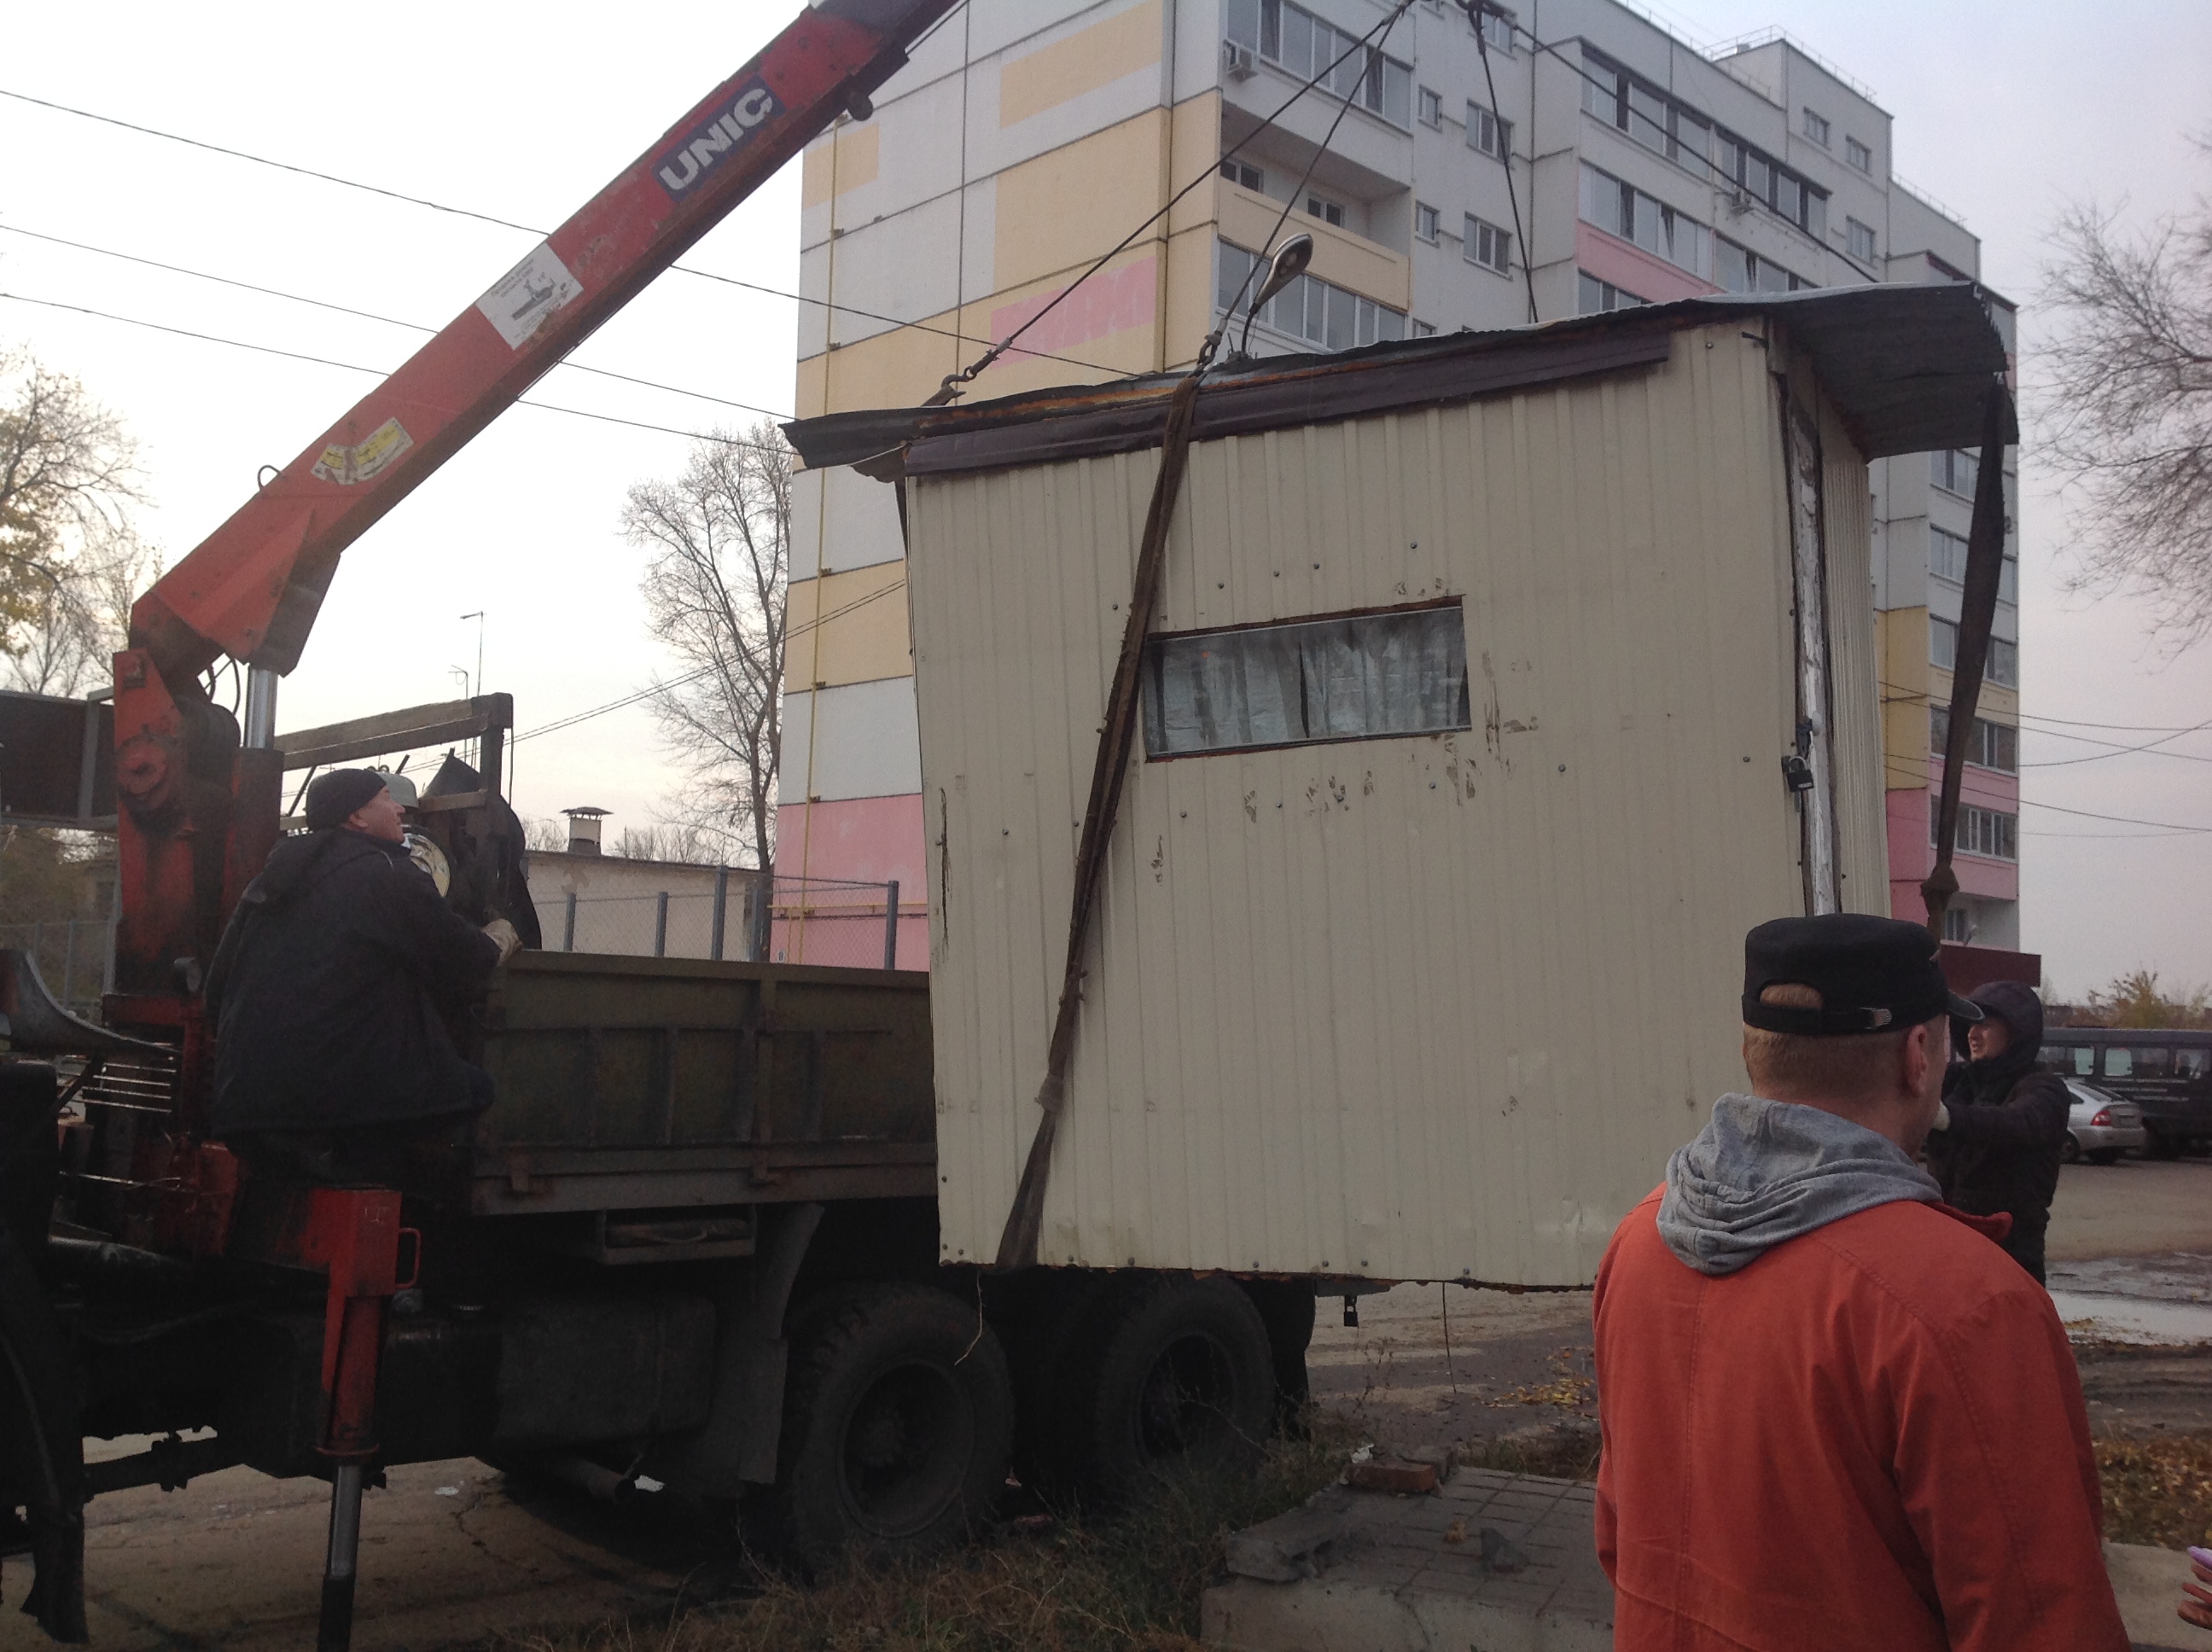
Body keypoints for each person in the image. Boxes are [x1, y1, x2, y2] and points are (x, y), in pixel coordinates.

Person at [1592, 912, 2128, 1652]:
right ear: (1917, 1054)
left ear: (1757, 1052)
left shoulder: (1639, 1242)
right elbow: (2042, 1625)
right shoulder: (1967, 1304)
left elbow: (1621, 1535)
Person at [207, 767, 521, 1190]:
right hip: (328, 1107)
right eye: (387, 799)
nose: (398, 810)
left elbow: (216, 990)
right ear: (356, 817)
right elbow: (470, 958)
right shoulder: (387, 873)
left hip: (242, 1106)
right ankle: (392, 1187)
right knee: (476, 1088)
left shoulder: (269, 880)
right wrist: (502, 933)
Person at [1926, 979, 2070, 1283]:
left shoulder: (2043, 1088)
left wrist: (1943, 1116)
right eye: (1968, 1025)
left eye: (1985, 1026)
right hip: (1948, 1243)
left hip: (2011, 1252)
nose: (1973, 1035)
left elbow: (2017, 1123)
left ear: (2017, 1032)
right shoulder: (1957, 1081)